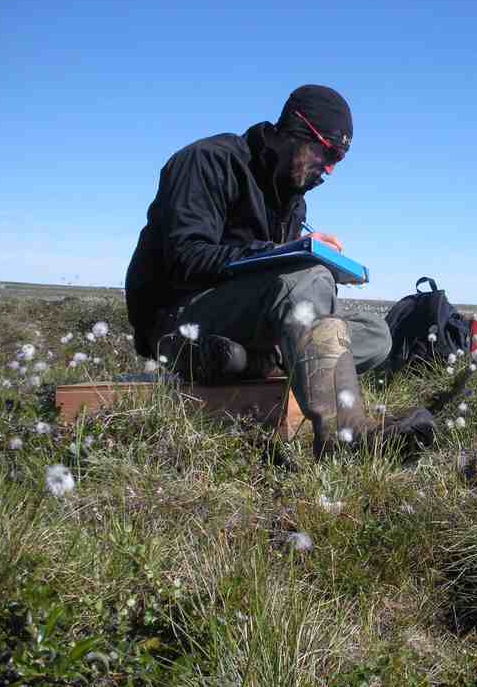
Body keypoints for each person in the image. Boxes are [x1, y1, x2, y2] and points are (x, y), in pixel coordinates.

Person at [125, 84, 433, 457]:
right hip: (181, 315)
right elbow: (183, 258)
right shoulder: (207, 161)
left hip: (246, 322)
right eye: (329, 151)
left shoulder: (293, 199)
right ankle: (344, 435)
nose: (331, 168)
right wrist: (282, 254)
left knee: (376, 334)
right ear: (296, 129)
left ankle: (246, 361)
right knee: (309, 278)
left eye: (341, 159)